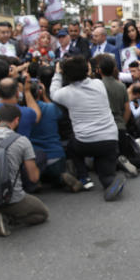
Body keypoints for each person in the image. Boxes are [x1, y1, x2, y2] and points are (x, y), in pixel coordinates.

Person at [49, 55, 126, 200]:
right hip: (109, 139)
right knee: (105, 171)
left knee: (72, 146)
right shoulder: (99, 84)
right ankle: (110, 181)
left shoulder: (65, 93)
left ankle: (84, 178)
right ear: (86, 71)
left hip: (84, 142)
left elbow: (53, 92)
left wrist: (57, 73)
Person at [0, 103, 48, 237]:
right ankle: (7, 216)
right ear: (17, 121)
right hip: (10, 198)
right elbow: (33, 177)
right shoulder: (22, 141)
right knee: (42, 213)